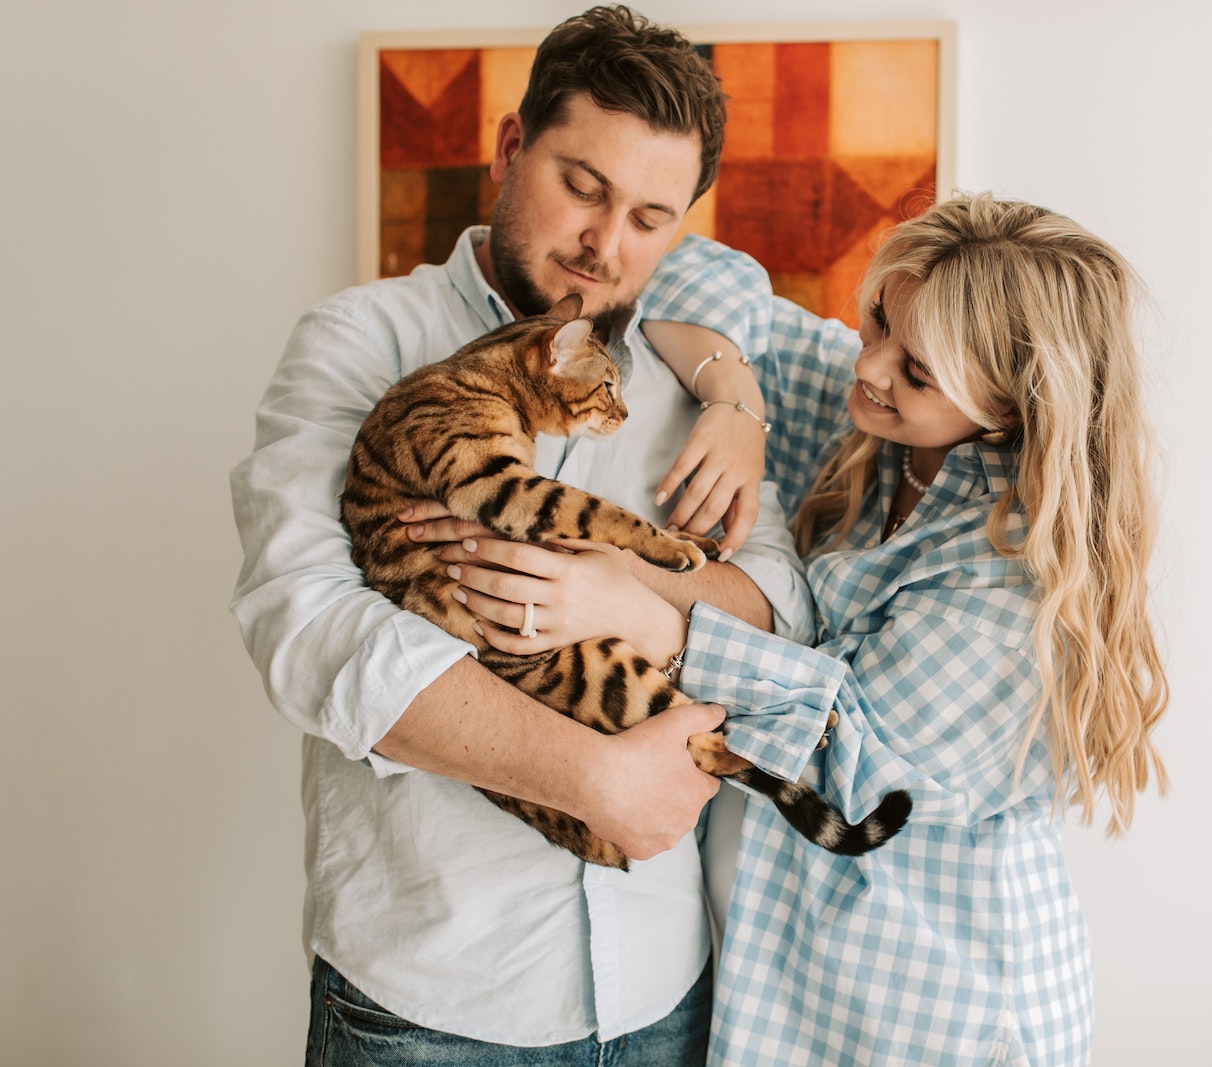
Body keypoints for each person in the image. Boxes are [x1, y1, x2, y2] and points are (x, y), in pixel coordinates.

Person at [426, 192, 1171, 1064]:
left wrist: (642, 606)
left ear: (1002, 408)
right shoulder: (870, 418)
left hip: (935, 1008)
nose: (874, 366)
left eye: (919, 371)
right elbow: (685, 266)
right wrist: (735, 400)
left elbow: (849, 760)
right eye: (880, 319)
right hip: (788, 986)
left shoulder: (1014, 579)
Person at [228, 6, 817, 1063]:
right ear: (510, 148)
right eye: (582, 187)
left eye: (649, 215)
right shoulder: (362, 340)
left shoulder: (694, 378)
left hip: (667, 990)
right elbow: (306, 628)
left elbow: (782, 603)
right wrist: (591, 780)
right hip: (427, 1002)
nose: (606, 245)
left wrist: (636, 600)